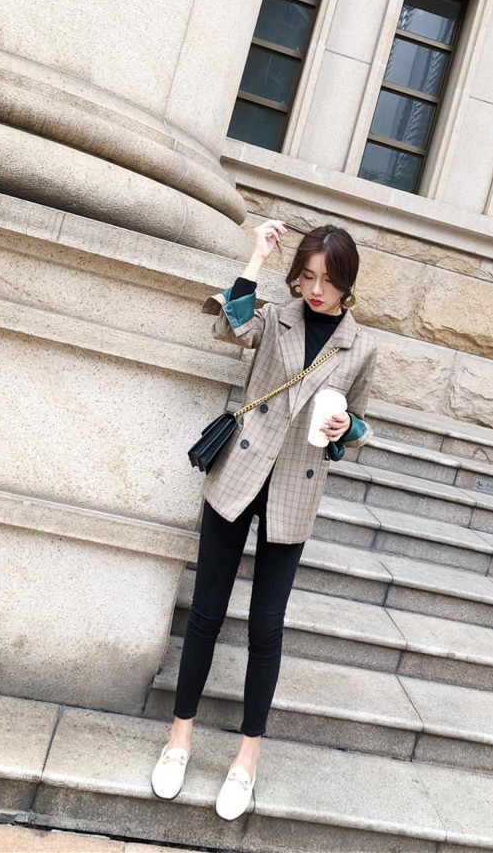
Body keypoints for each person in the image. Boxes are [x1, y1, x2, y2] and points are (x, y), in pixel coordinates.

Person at [151, 218, 378, 820]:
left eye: (328, 280)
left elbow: (360, 424)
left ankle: (246, 757)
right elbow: (231, 324)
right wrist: (256, 256)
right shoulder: (277, 316)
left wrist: (345, 428)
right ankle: (179, 738)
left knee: (266, 628)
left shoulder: (361, 346)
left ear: (347, 282)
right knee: (205, 613)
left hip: (295, 490)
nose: (316, 290)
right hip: (240, 475)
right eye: (307, 277)